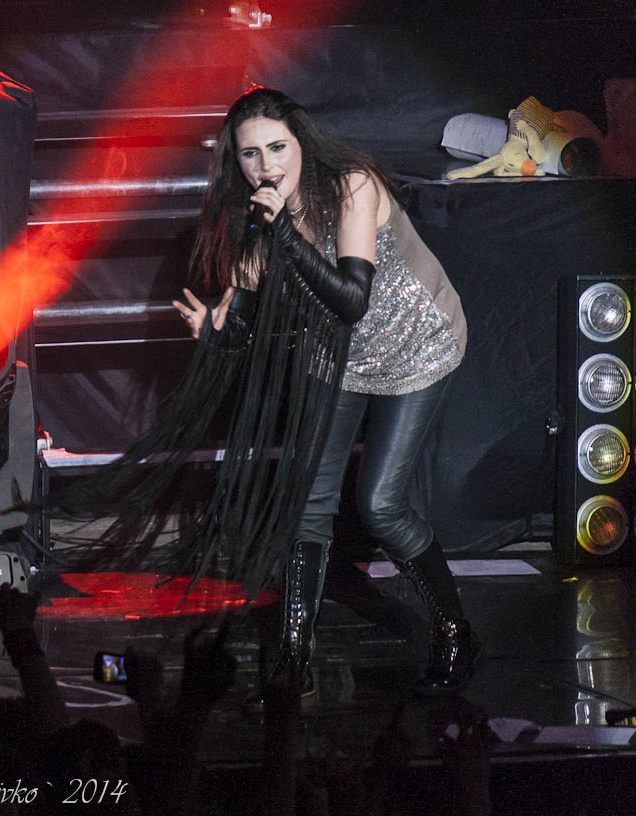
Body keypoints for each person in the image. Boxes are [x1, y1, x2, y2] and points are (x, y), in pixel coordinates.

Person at [171, 87, 477, 697]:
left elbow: (352, 299)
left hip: (415, 342)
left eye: (277, 148)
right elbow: (245, 328)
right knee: (307, 501)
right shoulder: (254, 223)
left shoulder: (351, 186)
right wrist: (216, 334)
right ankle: (294, 653)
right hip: (334, 357)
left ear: (302, 145)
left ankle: (455, 630)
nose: (266, 166)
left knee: (380, 505)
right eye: (251, 154)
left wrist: (284, 233)